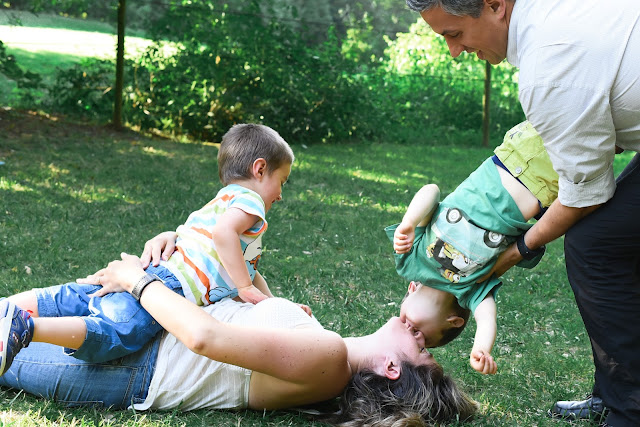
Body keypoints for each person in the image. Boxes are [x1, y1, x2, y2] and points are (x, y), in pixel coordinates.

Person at [404, 0, 640, 425]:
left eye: (454, 34)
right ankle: (618, 391)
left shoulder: (548, 67)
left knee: (597, 243)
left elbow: (585, 195)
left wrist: (518, 252)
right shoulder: (549, 24)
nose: (454, 52)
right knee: (607, 241)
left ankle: (629, 408)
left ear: (494, 5)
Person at [0, 253, 478, 426]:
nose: (424, 339)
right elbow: (240, 298)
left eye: (423, 352)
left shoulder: (329, 362)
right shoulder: (320, 340)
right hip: (141, 321)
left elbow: (205, 338)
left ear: (393, 369)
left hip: (135, 362)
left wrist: (137, 282)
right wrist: (181, 246)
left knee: (9, 334)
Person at [0, 123, 301, 372]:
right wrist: (245, 287)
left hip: (161, 272)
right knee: (116, 332)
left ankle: (7, 308)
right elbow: (225, 237)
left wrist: (273, 306)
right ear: (260, 169)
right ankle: (25, 327)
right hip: (170, 288)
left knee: (82, 296)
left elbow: (247, 266)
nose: (280, 195)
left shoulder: (222, 201)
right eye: (282, 181)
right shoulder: (250, 203)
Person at [387, 121, 558, 375]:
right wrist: (481, 347)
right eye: (422, 339)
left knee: (563, 104)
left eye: (409, 329)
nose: (413, 335)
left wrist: (410, 222)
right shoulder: (469, 291)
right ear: (453, 321)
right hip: (544, 181)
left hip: (513, 153)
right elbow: (487, 317)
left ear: (410, 290)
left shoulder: (410, 260)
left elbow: (431, 191)